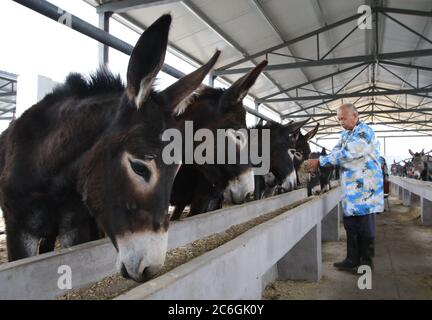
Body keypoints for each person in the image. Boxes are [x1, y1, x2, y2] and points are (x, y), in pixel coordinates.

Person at [306, 103, 383, 272]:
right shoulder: (345, 135)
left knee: (365, 228)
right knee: (351, 225)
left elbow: (348, 154)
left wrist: (319, 161)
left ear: (355, 116)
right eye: (339, 119)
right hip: (351, 190)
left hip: (365, 191)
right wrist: (321, 160)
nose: (340, 121)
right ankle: (351, 259)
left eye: (343, 118)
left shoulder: (364, 132)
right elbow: (335, 152)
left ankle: (366, 263)